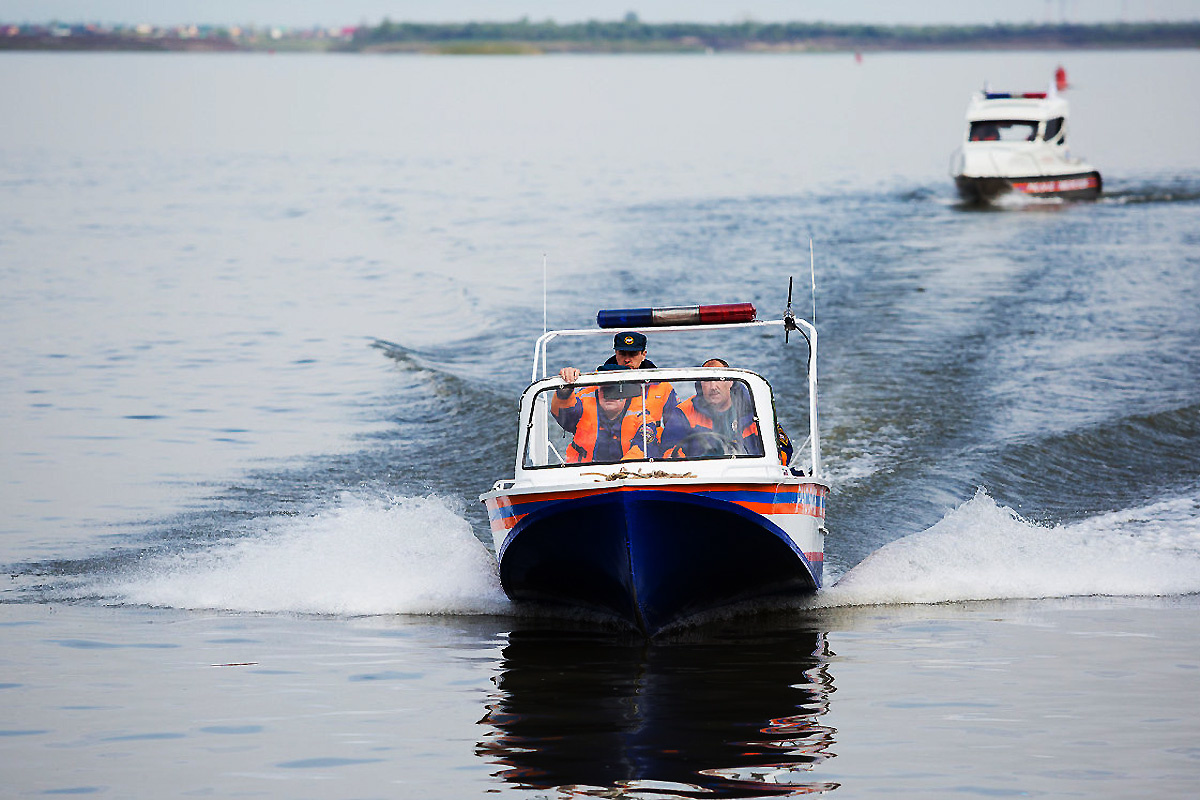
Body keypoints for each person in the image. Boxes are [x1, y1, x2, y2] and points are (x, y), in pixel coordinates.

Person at [661, 358, 794, 464]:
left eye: (719, 379)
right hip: (700, 478)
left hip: (750, 478)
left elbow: (782, 447)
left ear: (730, 382)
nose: (713, 387)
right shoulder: (683, 413)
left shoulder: (755, 411)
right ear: (700, 384)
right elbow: (668, 449)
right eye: (707, 381)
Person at [557, 330, 676, 423]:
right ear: (616, 353)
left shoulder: (662, 387)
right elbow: (566, 415)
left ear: (643, 354)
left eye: (633, 354)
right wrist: (565, 389)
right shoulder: (597, 382)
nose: (627, 359)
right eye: (622, 354)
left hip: (647, 449)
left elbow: (675, 427)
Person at [550, 364, 660, 464]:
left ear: (628, 393)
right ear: (598, 389)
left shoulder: (642, 418)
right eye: (605, 389)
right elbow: (562, 414)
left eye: (616, 390)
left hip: (626, 474)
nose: (610, 395)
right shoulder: (582, 407)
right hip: (580, 472)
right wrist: (565, 390)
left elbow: (646, 448)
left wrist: (621, 471)